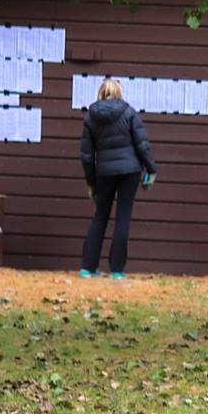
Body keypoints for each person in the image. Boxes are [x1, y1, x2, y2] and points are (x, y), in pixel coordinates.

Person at [78, 78, 155, 279]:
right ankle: (117, 271)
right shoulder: (129, 113)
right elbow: (142, 145)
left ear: (100, 93)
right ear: (119, 93)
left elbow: (87, 156)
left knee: (100, 215)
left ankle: (87, 267)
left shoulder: (90, 118)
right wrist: (151, 169)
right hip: (130, 171)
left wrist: (91, 183)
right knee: (123, 217)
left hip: (104, 172)